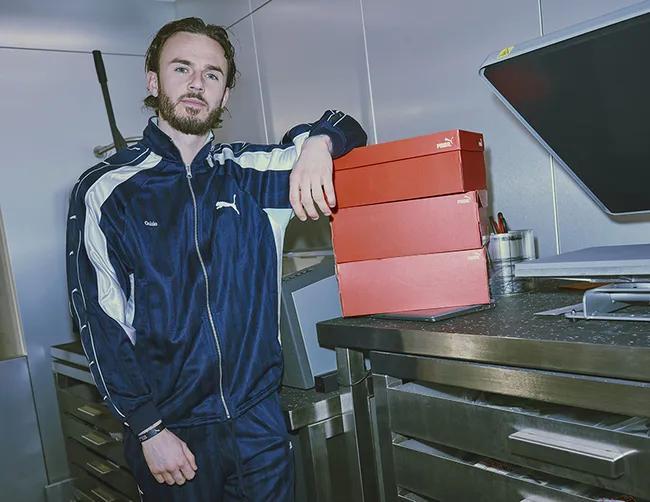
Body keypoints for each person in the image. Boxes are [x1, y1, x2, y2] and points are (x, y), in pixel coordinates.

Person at [66, 17, 366, 501]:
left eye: (212, 74)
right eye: (181, 68)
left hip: (258, 425)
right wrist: (147, 428)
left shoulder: (249, 174)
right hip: (173, 434)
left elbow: (347, 125)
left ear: (225, 95)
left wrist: (318, 144)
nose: (196, 84)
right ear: (153, 81)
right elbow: (102, 323)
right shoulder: (106, 190)